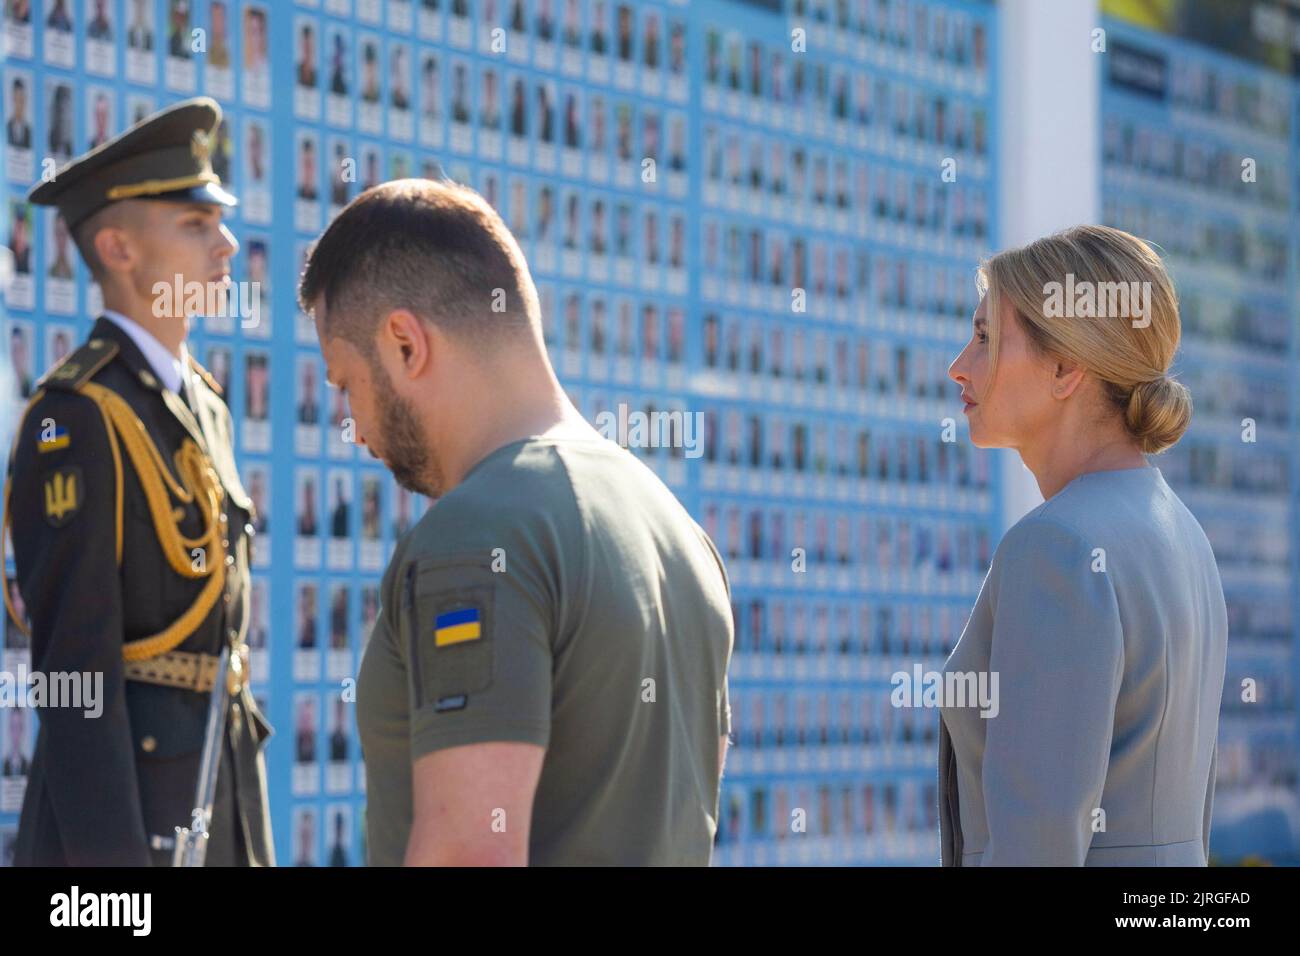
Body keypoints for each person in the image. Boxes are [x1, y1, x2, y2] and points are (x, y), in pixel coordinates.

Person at [299, 178, 733, 866]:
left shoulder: (477, 532)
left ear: (406, 344)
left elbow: (469, 850)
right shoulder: (679, 531)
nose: (352, 427)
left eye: (346, 382)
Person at [4, 97, 274, 867]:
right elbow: (76, 686)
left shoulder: (205, 403)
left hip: (213, 806)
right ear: (118, 247)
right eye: (194, 224)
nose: (225, 244)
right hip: (123, 844)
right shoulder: (79, 415)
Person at [939, 224, 1227, 866]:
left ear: (1067, 368)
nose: (958, 364)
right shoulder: (1187, 537)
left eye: (985, 337)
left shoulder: (1056, 548)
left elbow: (1037, 843)